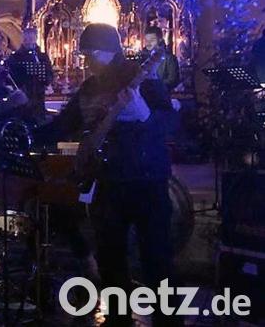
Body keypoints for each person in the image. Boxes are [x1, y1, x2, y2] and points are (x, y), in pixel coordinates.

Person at [40, 23, 177, 326]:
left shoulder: (143, 79)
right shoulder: (90, 88)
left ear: (105, 52)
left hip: (146, 181)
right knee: (111, 260)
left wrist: (144, 115)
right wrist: (23, 119)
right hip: (109, 182)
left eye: (89, 55)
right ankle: (117, 321)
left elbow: (169, 123)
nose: (85, 62)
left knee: (157, 261)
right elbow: (63, 124)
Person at [6, 27, 53, 122]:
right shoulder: (15, 57)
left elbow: (49, 73)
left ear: (35, 39)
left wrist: (46, 79)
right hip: (23, 92)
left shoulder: (42, 57)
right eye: (26, 39)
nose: (29, 42)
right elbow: (11, 76)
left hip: (38, 94)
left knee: (38, 118)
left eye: (31, 39)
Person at [140, 26, 180, 91]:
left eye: (152, 40)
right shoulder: (142, 57)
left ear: (160, 39)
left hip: (162, 96)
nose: (148, 43)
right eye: (147, 40)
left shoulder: (170, 58)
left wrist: (155, 85)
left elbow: (173, 80)